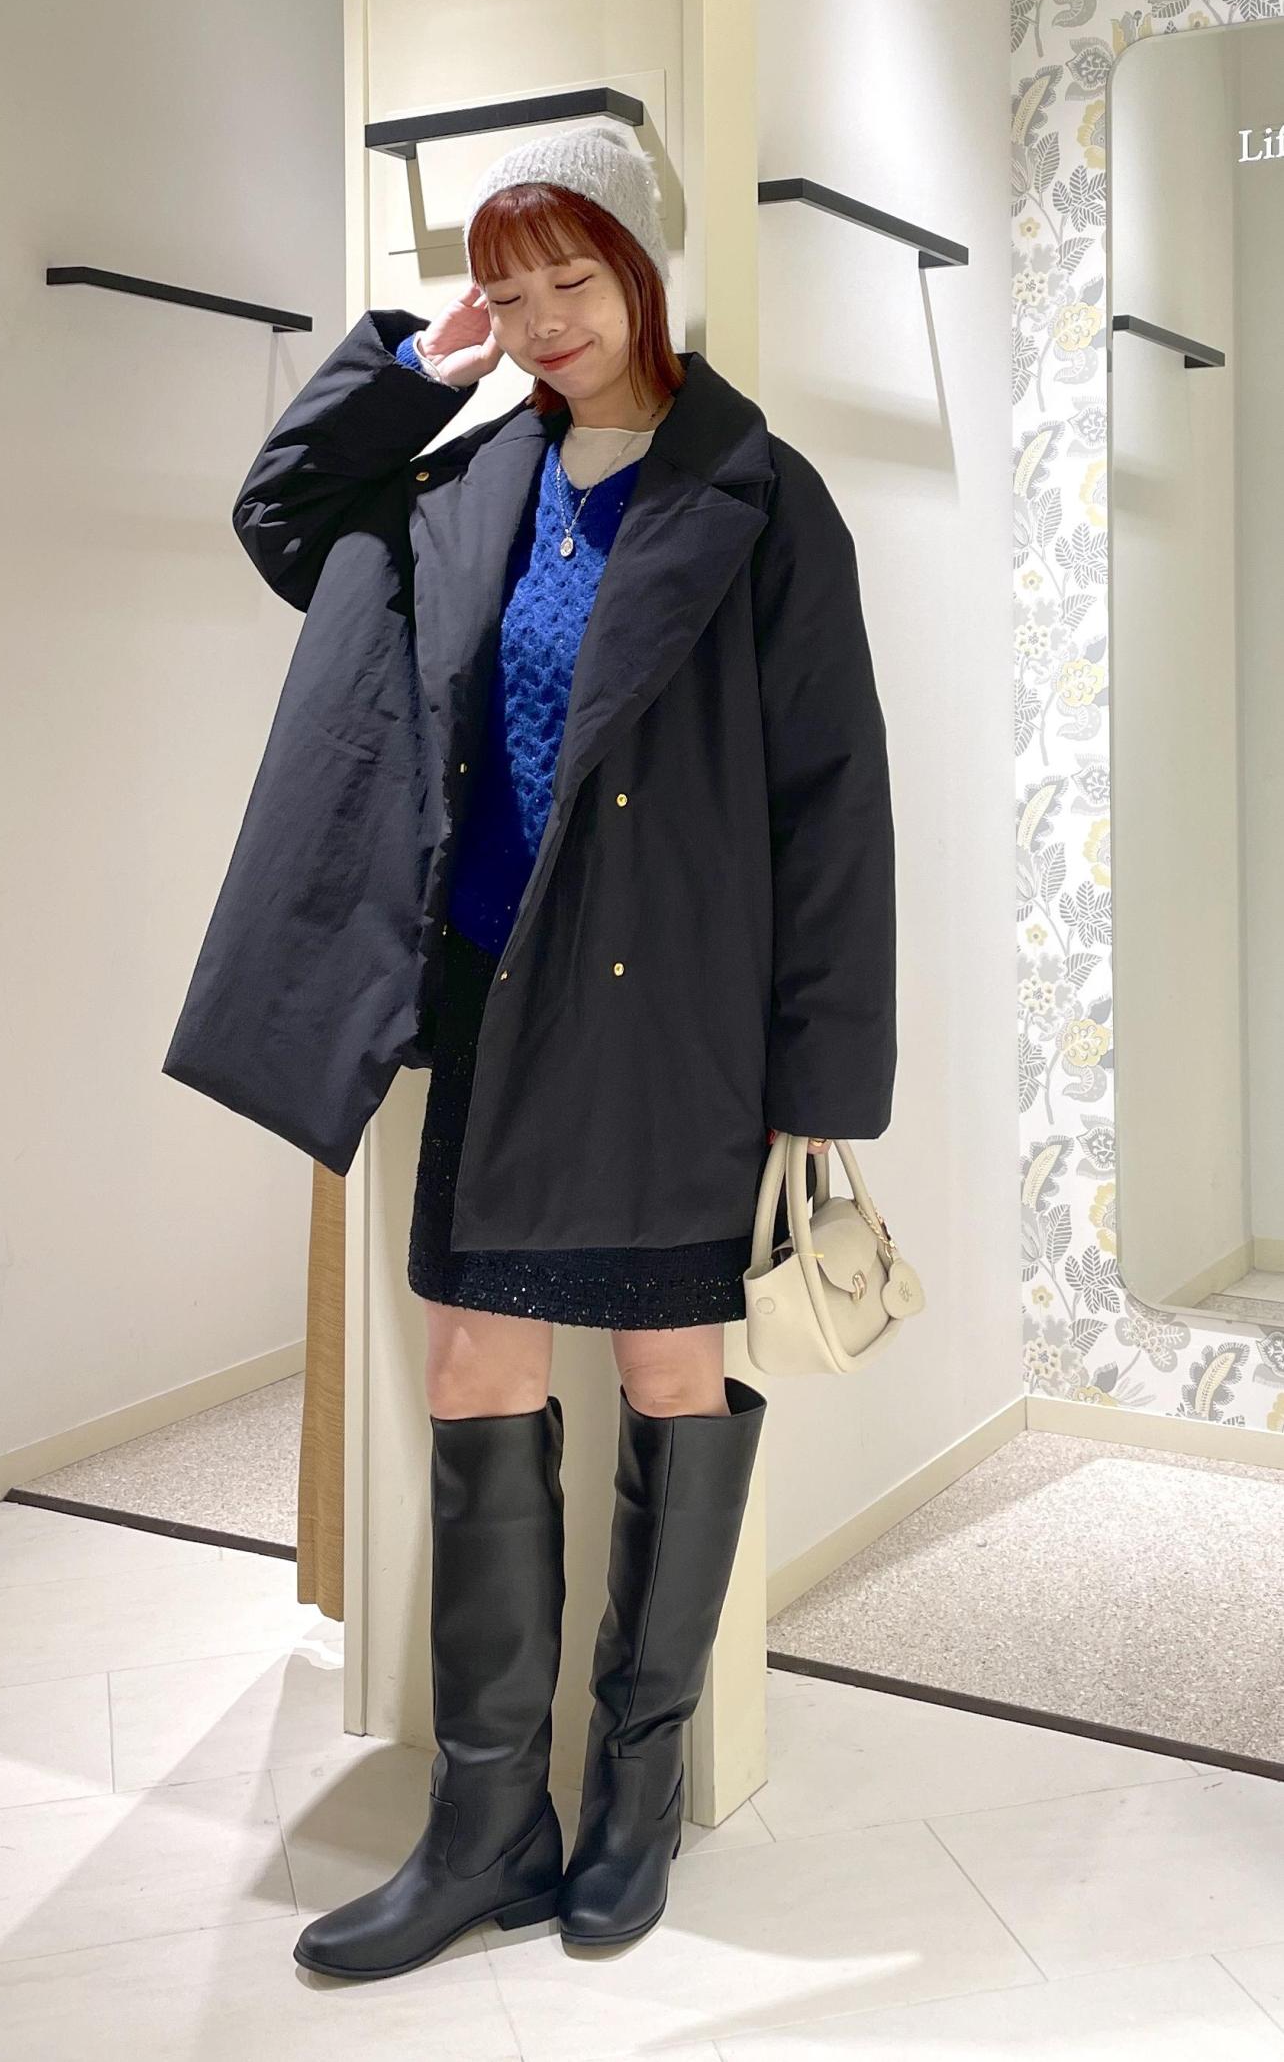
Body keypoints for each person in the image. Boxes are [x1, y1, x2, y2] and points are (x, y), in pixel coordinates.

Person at [203, 126, 895, 1979]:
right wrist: (409, 368)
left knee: (673, 1373)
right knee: (473, 1365)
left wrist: (820, 1083)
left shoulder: (763, 496)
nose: (540, 322)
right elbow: (281, 519)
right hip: (494, 1009)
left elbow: (834, 805)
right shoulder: (463, 477)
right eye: (506, 293)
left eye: (571, 280)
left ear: (647, 270)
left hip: (675, 1028)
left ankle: (634, 1799)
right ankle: (487, 1817)